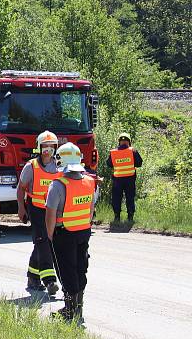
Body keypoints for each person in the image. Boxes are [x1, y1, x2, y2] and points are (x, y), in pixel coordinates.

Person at [46, 142, 96, 322]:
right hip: (84, 231)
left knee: (66, 271)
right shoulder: (90, 182)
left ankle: (69, 309)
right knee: (81, 268)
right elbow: (90, 210)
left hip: (63, 234)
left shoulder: (57, 185)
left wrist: (50, 234)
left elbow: (50, 214)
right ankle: (78, 308)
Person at [17, 131, 61, 296]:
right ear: (39, 147)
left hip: (52, 210)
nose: (48, 150)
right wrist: (21, 208)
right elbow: (21, 189)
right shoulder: (31, 167)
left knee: (42, 243)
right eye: (45, 146)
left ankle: (32, 277)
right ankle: (50, 280)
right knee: (43, 241)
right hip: (35, 209)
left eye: (51, 146)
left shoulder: (59, 166)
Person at [107, 132, 142, 224]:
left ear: (119, 142)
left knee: (116, 198)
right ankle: (130, 217)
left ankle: (117, 217)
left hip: (117, 180)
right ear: (129, 142)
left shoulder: (113, 152)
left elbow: (109, 164)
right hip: (130, 179)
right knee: (130, 198)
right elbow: (139, 163)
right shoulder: (133, 151)